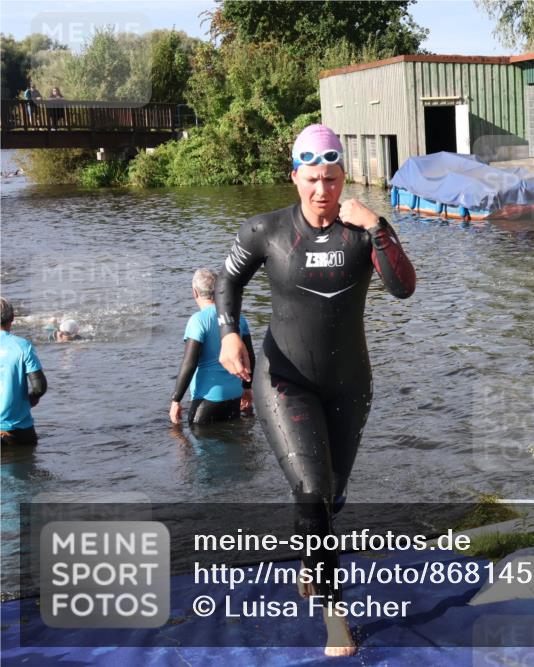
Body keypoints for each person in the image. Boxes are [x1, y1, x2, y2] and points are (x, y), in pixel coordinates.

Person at [216, 124, 416, 656]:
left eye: (330, 178)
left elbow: (403, 287)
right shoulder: (267, 231)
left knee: (332, 494)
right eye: (311, 180)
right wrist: (229, 332)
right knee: (311, 491)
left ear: (342, 176)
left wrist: (378, 226)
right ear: (295, 178)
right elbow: (227, 281)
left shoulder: (361, 232)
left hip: (350, 383)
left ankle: (311, 554)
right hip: (284, 380)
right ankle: (335, 615)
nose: (322, 190)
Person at [170, 268, 253, 426]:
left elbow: (189, 363)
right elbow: (250, 357)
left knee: (191, 442)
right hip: (235, 396)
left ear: (195, 292)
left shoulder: (198, 321)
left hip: (208, 398)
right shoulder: (238, 319)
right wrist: (247, 389)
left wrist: (176, 400)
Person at [1, 298, 47, 446]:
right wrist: (32, 398)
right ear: (13, 318)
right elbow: (40, 387)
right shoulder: (22, 346)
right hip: (18, 431)